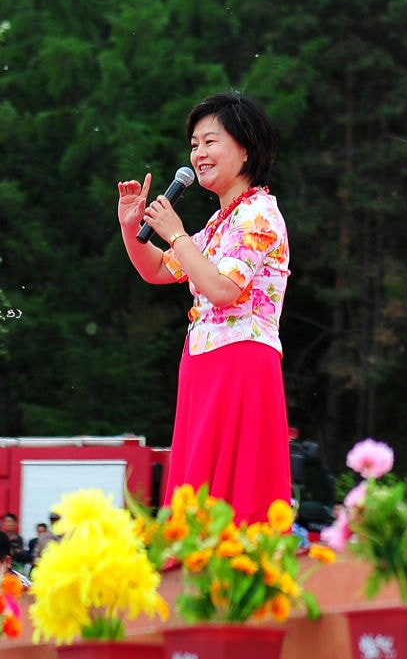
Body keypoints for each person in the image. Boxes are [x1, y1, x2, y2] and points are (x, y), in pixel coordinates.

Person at [117, 91, 291, 525]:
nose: (198, 153)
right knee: (199, 489)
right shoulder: (219, 222)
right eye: (194, 144)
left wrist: (175, 233)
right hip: (203, 364)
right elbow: (156, 269)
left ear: (245, 148)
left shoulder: (259, 215)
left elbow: (222, 288)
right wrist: (130, 226)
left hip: (243, 361)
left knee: (238, 495)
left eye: (210, 142)